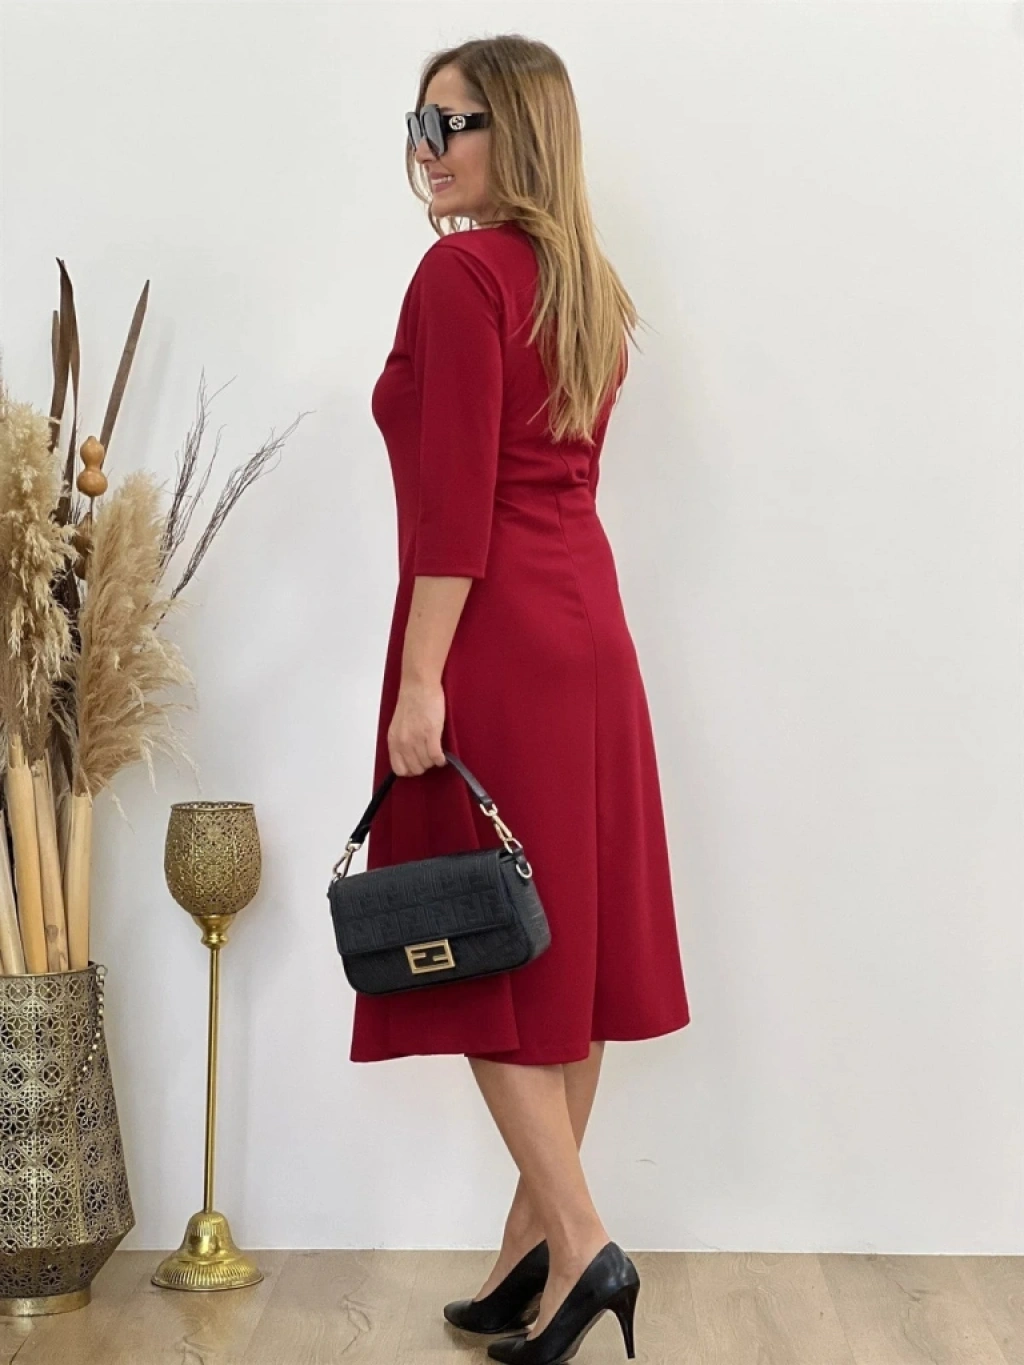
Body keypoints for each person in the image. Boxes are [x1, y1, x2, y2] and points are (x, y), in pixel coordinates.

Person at [350, 33, 691, 1365]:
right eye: (420, 123)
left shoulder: (461, 275)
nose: (425, 149)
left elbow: (455, 506)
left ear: (520, 134)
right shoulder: (585, 284)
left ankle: (586, 1241)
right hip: (588, 632)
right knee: (559, 954)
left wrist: (421, 679)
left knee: (480, 947)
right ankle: (530, 1258)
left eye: (455, 125)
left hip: (490, 637)